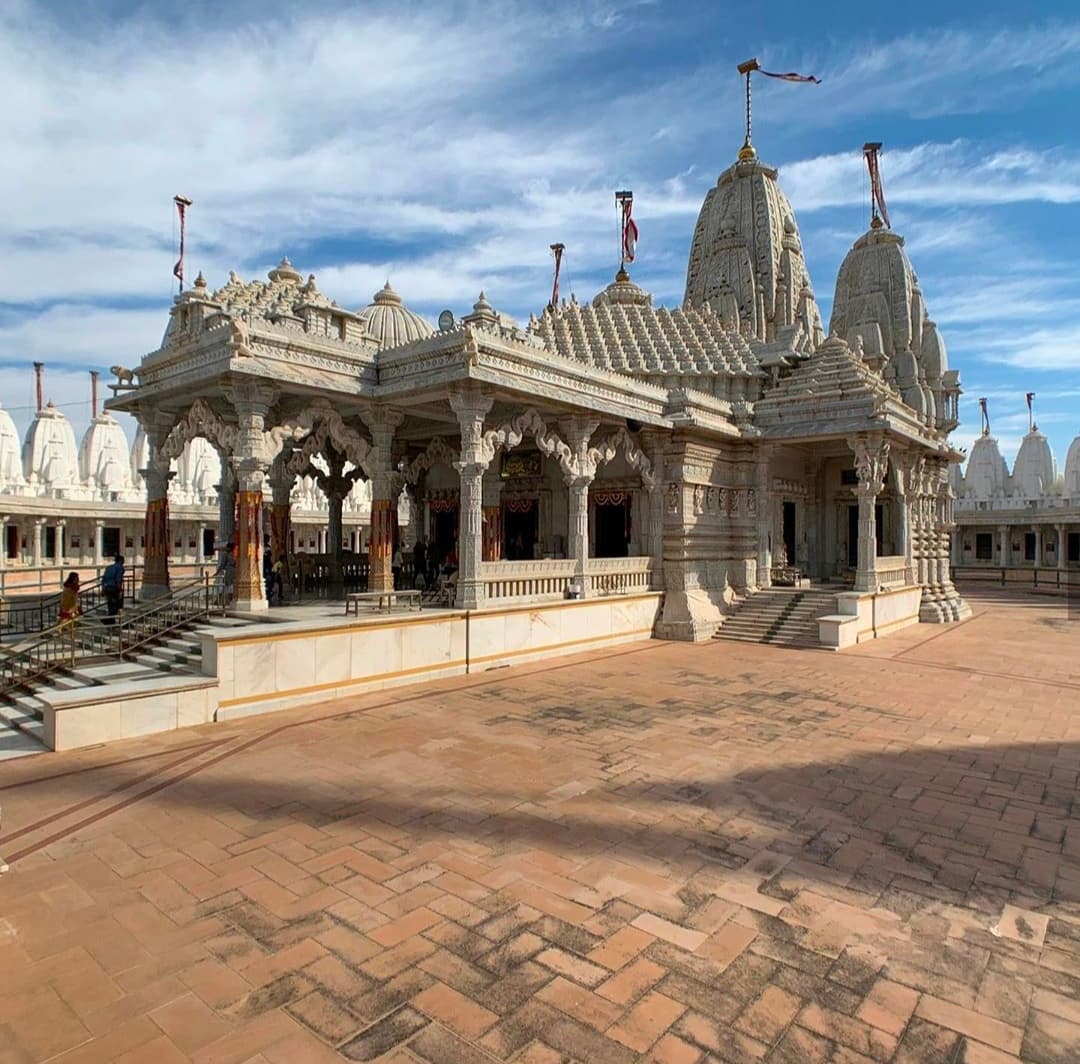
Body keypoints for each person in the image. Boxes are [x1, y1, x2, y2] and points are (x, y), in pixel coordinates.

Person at [101, 554, 125, 624]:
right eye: (123, 561)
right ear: (121, 561)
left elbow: (103, 579)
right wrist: (120, 590)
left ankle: (111, 620)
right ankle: (108, 620)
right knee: (116, 605)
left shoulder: (109, 567)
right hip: (113, 588)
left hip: (106, 587)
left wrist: (103, 589)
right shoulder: (119, 567)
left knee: (110, 604)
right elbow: (118, 580)